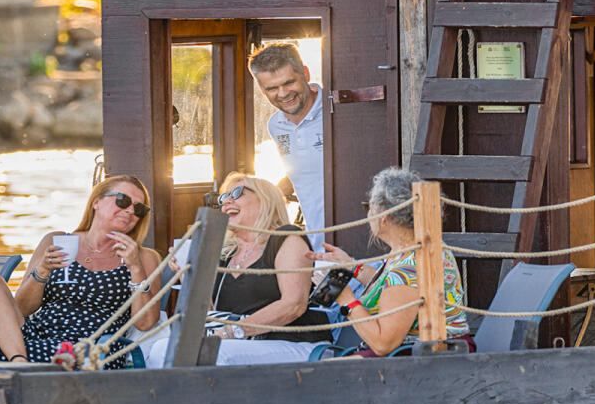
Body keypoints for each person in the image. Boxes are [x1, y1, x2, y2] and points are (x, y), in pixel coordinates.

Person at [0, 176, 162, 367]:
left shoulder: (143, 257)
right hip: (34, 337)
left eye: (139, 208)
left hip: (91, 348)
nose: (130, 210)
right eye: (122, 200)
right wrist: (43, 270)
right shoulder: (56, 240)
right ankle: (20, 363)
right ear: (96, 202)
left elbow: (145, 323)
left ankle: (18, 365)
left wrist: (135, 268)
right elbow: (22, 308)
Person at [144, 173, 330, 368]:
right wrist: (188, 275)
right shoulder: (224, 254)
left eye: (236, 193)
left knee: (214, 354)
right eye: (223, 198)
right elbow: (209, 314)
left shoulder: (287, 238)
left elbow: (293, 305)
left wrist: (233, 332)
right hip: (239, 344)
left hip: (295, 343)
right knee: (160, 349)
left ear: (265, 199)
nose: (226, 202)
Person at [308, 167, 472, 357]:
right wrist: (352, 266)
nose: (367, 216)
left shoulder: (408, 267)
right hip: (425, 350)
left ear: (384, 217)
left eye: (368, 208)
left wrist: (346, 300)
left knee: (321, 371)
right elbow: (392, 288)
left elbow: (383, 344)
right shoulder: (416, 248)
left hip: (424, 356)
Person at [248, 43, 325, 250]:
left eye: (289, 83)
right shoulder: (276, 125)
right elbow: (303, 171)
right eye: (272, 88)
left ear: (305, 74)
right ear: (261, 89)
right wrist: (265, 198)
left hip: (363, 242)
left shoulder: (335, 110)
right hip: (319, 246)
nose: (283, 94)